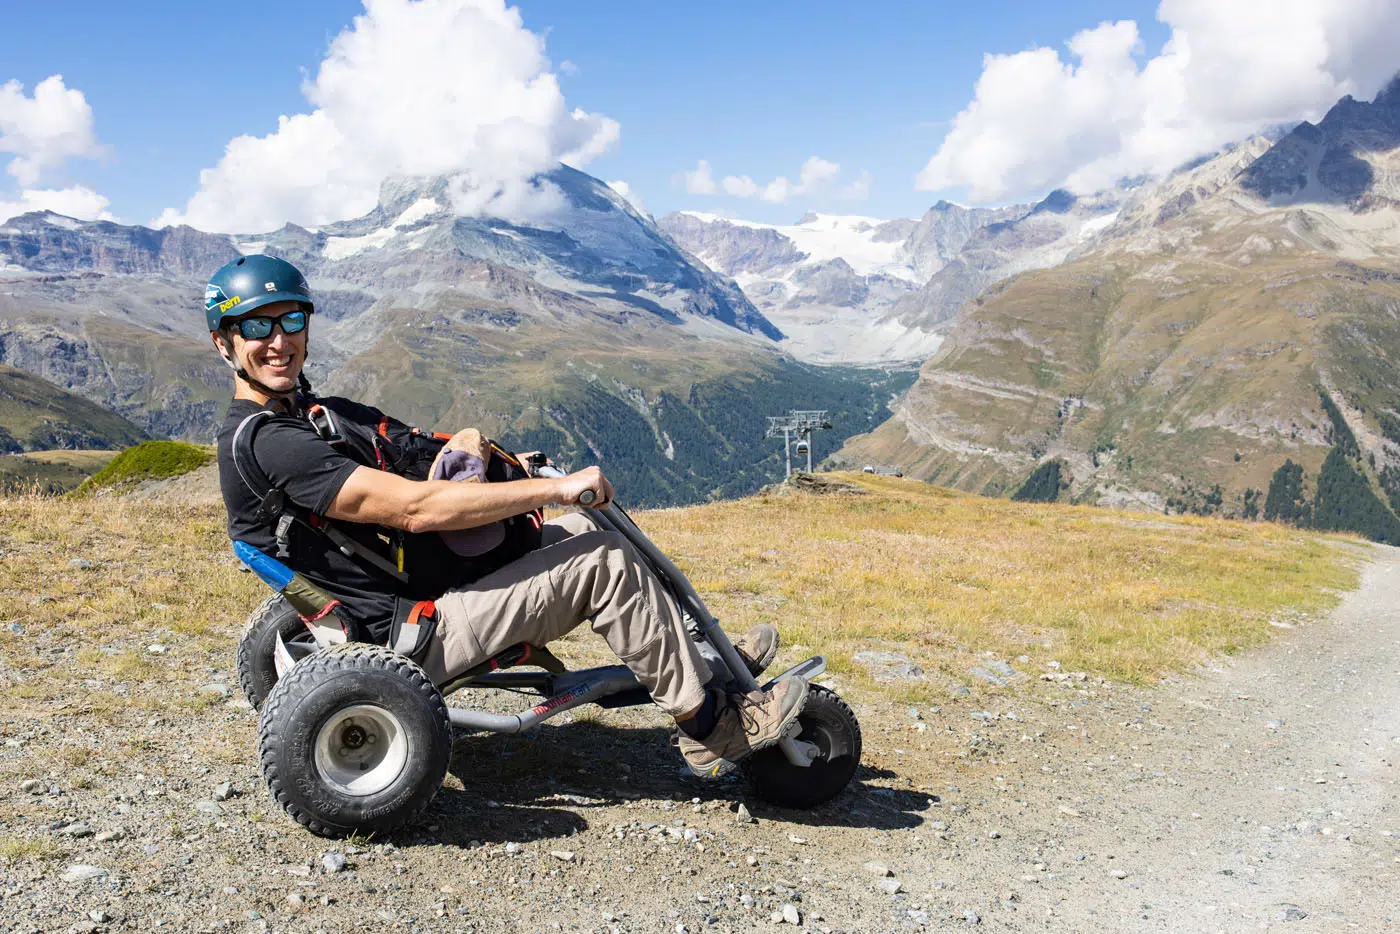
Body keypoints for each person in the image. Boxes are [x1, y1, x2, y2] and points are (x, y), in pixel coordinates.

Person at [207, 254, 808, 777]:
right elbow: (415, 510)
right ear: (224, 342)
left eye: (290, 320)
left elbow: (413, 452)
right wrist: (556, 490)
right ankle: (712, 728)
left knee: (583, 530)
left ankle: (699, 661)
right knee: (604, 562)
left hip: (420, 585)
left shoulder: (315, 413)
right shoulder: (269, 442)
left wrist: (500, 462)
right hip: (411, 631)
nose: (279, 340)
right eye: (256, 326)